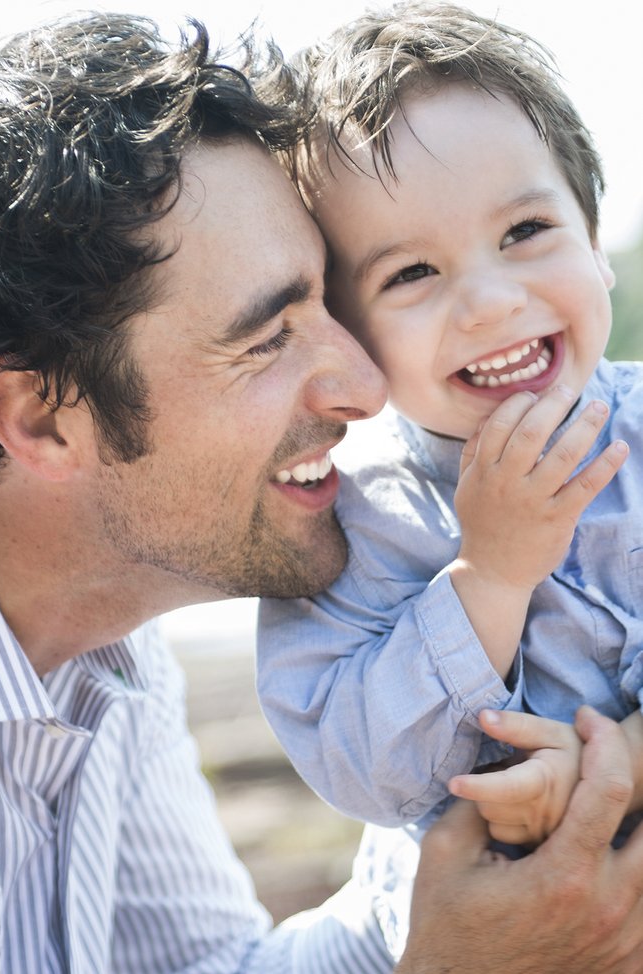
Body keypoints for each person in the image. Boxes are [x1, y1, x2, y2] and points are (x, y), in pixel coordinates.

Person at [0, 9, 642, 974]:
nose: (367, 388)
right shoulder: (378, 540)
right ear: (45, 422)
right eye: (267, 337)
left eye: (527, 231)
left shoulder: (109, 672)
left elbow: (208, 965)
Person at [256, 0, 643, 960]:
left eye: (526, 230)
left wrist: (618, 763)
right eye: (412, 274)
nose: (490, 302)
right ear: (347, 333)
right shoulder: (347, 526)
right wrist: (492, 576)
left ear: (593, 236)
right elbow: (363, 769)